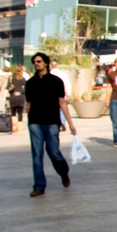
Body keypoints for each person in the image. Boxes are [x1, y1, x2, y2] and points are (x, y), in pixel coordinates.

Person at [24, 52, 77, 198]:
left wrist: (70, 124)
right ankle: (39, 186)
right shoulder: (30, 83)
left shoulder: (56, 82)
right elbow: (28, 105)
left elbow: (62, 103)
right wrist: (27, 120)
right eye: (34, 62)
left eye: (39, 61)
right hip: (35, 122)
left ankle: (63, 172)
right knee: (37, 154)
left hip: (52, 122)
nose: (36, 64)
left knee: (53, 152)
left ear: (46, 63)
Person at [6, 65, 26, 132]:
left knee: (13, 112)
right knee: (20, 112)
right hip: (21, 97)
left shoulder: (11, 78)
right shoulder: (23, 79)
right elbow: (26, 89)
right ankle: (20, 128)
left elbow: (8, 87)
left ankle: (14, 126)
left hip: (13, 97)